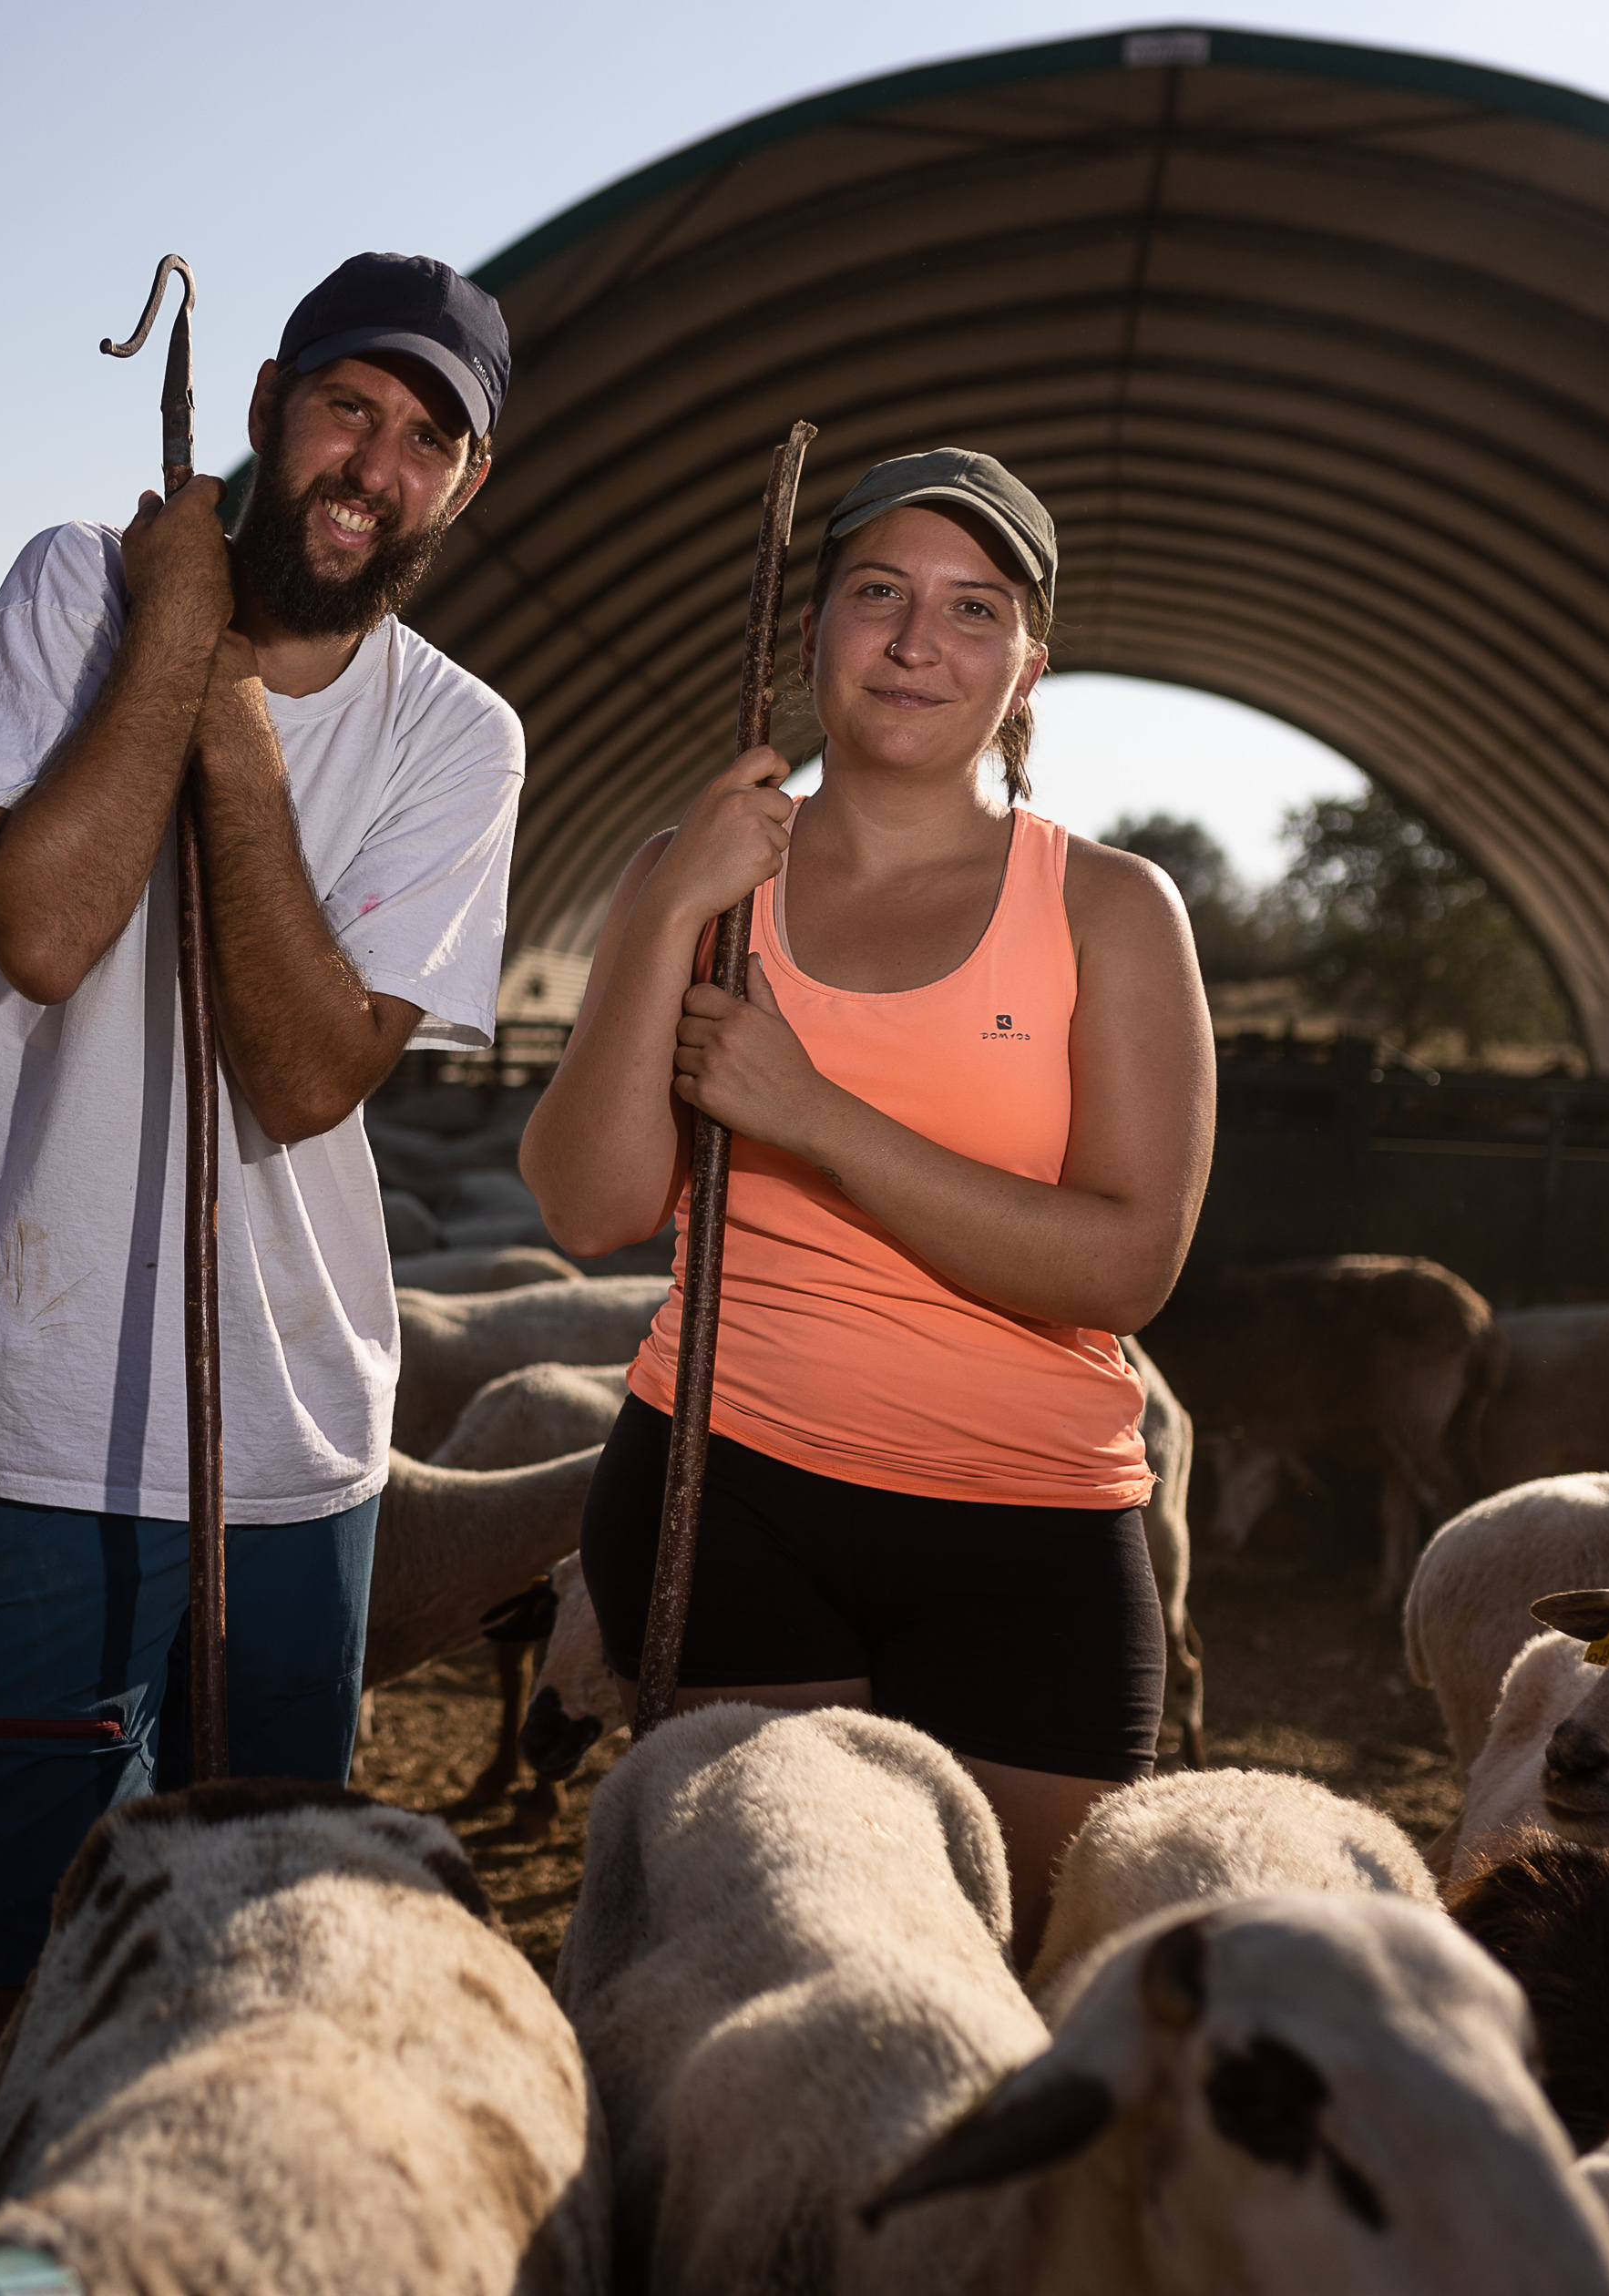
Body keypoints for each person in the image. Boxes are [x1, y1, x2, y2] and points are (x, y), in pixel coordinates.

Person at [0, 252, 524, 2146]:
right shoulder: (79, 588)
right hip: (46, 1405)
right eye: (348, 408)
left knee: (257, 1928)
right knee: (17, 1953)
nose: (371, 466)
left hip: (292, 1427)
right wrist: (175, 630)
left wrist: (225, 720)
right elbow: (54, 928)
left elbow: (308, 1072)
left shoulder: (454, 735)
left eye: (427, 443)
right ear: (261, 401)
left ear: (461, 489)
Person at [518, 447, 1214, 1966]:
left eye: (975, 610)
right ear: (813, 626)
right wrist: (668, 912)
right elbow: (591, 1202)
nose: (918, 641)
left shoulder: (1108, 907)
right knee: (776, 1971)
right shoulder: (691, 869)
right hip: (730, 1481)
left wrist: (815, 1119)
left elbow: (1127, 1262)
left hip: (1030, 1530)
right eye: (879, 594)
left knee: (1032, 1986)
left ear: (1030, 666)